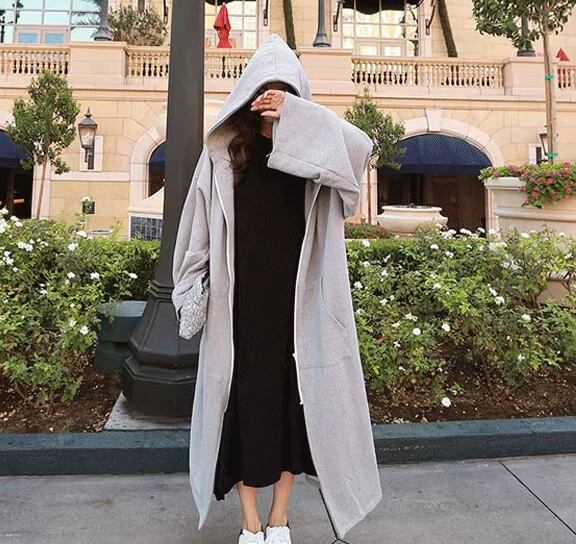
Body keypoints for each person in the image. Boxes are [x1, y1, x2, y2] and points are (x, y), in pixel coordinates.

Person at [172, 34, 382, 544]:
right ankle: (250, 523)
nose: (271, 98)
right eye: (264, 89)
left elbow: (361, 151)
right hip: (239, 308)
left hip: (298, 307)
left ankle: (279, 519)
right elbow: (196, 230)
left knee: (292, 413)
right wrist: (187, 287)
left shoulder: (317, 153)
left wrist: (298, 116)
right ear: (247, 96)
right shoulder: (224, 153)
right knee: (245, 411)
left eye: (283, 89)